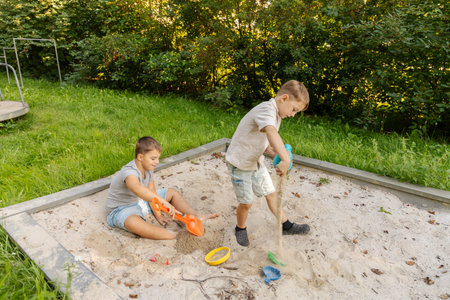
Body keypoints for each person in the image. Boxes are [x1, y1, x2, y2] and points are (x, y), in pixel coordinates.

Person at [225, 80, 311, 247]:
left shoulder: (276, 114)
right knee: (247, 202)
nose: (293, 114)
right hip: (240, 164)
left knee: (271, 193)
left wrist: (272, 151)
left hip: (255, 162)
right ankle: (240, 228)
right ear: (284, 98)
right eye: (294, 109)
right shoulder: (266, 109)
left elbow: (263, 139)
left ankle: (286, 226)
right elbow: (270, 131)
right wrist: (285, 158)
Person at [106, 136, 219, 240]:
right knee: (133, 223)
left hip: (140, 202)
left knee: (172, 192)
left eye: (158, 158)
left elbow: (151, 193)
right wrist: (164, 203)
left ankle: (196, 216)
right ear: (140, 157)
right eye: (153, 158)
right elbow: (138, 189)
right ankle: (175, 235)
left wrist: (158, 215)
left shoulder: (148, 169)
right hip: (121, 210)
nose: (157, 162)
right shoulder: (129, 172)